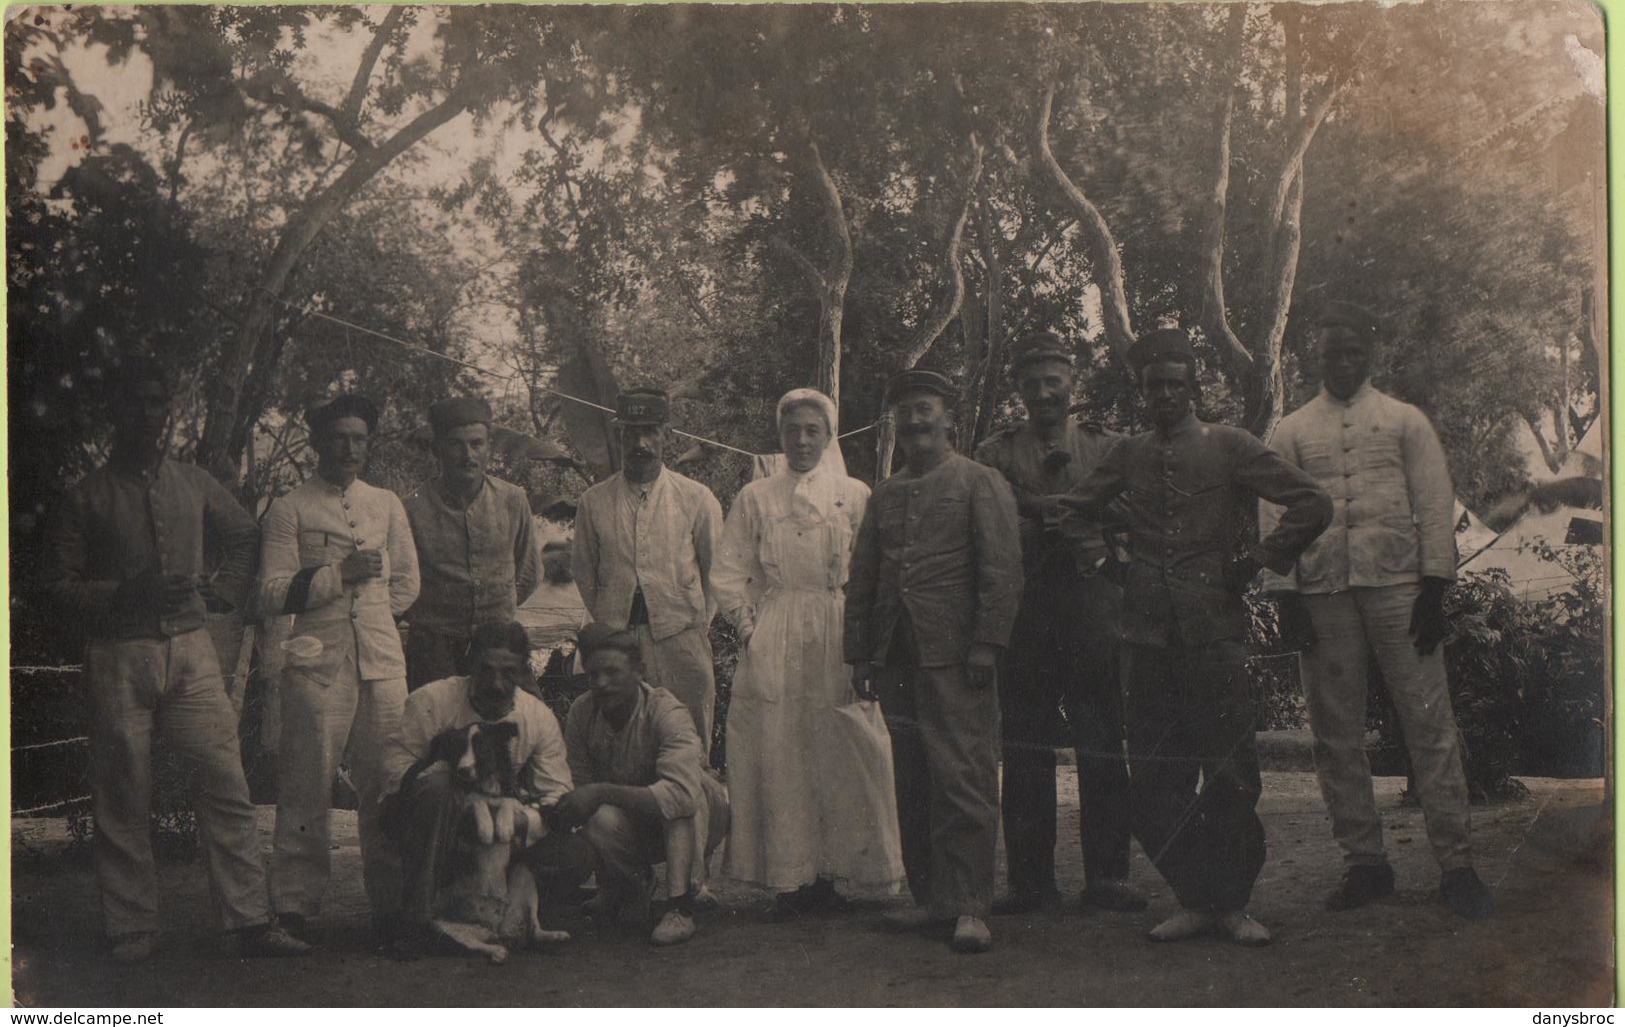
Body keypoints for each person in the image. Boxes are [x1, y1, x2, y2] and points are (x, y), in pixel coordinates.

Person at [1061, 329, 1333, 946]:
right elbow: (1072, 511)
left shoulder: (1230, 445)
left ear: (1193, 386)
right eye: (1153, 384)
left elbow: (1313, 503)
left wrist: (1259, 558)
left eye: (1174, 383)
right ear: (1142, 390)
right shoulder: (1127, 454)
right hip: (1145, 637)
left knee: (1232, 769)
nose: (1163, 394)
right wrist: (1106, 563)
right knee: (1156, 774)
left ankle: (1232, 902)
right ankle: (1191, 897)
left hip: (1215, 633)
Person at [38, 356, 309, 963]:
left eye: (158, 403)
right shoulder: (86, 497)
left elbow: (245, 536)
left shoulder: (193, 482)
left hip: (192, 651)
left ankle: (247, 920)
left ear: (167, 412)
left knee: (226, 781)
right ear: (116, 411)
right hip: (117, 656)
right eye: (136, 402)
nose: (148, 414)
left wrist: (226, 591)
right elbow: (52, 585)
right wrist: (121, 594)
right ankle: (131, 926)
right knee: (122, 790)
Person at [1261, 301, 1494, 919]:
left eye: (1354, 351)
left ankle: (1458, 864)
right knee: (1334, 732)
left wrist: (1437, 586)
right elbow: (1273, 511)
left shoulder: (1404, 422)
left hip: (1401, 591)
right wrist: (1284, 595)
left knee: (1430, 723)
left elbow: (1434, 499)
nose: (1342, 362)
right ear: (1316, 354)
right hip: (1322, 594)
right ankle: (1365, 863)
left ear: (1371, 354)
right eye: (1331, 350)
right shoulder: (1290, 431)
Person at [844, 369, 1024, 954]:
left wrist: (987, 644)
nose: (916, 421)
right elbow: (865, 579)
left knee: (963, 777)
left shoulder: (980, 482)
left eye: (925, 409)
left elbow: (1002, 572)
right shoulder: (887, 493)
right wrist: (862, 654)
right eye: (906, 412)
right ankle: (931, 899)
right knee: (913, 777)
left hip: (956, 657)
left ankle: (971, 905)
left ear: (948, 417)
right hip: (897, 656)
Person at [713, 388, 904, 916]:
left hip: (838, 627)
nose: (801, 440)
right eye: (792, 430)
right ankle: (793, 877)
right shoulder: (756, 497)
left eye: (812, 430)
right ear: (779, 435)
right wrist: (753, 626)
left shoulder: (855, 492)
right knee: (782, 749)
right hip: (778, 629)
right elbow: (728, 572)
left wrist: (860, 634)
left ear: (828, 435)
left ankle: (846, 870)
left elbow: (873, 571)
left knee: (846, 745)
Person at [973, 331, 1145, 916]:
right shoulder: (994, 454)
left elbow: (1137, 509)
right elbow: (984, 523)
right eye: (1033, 384)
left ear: (1072, 384)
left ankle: (1108, 877)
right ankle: (1030, 882)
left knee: (1101, 738)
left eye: (1054, 382)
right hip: (1025, 609)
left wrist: (1071, 512)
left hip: (1092, 601)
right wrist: (1044, 517)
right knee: (1025, 744)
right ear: (1019, 391)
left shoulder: (1107, 447)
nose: (1044, 393)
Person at [258, 393, 420, 947]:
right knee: (307, 784)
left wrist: (370, 615)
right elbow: (272, 592)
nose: (350, 448)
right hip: (316, 663)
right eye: (338, 438)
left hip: (380, 661)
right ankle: (294, 908)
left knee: (388, 783)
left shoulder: (387, 504)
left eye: (359, 438)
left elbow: (406, 585)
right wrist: (339, 576)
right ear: (316, 443)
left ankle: (392, 908)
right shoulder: (291, 508)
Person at [380, 621, 595, 956]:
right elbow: (394, 778)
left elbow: (557, 794)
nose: (496, 684)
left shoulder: (536, 717)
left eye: (508, 673)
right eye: (486, 670)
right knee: (435, 787)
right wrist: (457, 800)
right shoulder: (432, 702)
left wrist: (521, 822)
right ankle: (417, 919)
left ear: (524, 671)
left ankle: (502, 912)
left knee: (576, 852)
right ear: (470, 664)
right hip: (440, 835)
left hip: (503, 837)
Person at [557, 624, 731, 947]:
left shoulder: (666, 710)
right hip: (639, 819)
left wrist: (603, 792)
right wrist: (591, 797)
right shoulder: (582, 713)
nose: (602, 684)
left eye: (613, 672)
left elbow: (679, 796)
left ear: (639, 672)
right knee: (596, 816)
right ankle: (631, 886)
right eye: (594, 675)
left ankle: (681, 906)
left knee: (681, 803)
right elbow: (579, 786)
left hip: (698, 815)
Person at [570, 388, 725, 747]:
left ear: (666, 435)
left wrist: (695, 623)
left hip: (681, 639)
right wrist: (612, 621)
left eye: (650, 431)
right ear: (618, 434)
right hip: (618, 642)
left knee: (688, 739)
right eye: (631, 431)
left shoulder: (696, 498)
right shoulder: (594, 502)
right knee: (622, 741)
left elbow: (716, 572)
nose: (640, 442)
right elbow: (585, 572)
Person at [402, 396, 542, 692]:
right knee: (439, 727)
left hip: (499, 643)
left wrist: (498, 610)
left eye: (477, 444)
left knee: (526, 720)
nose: (468, 455)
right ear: (437, 449)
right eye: (456, 444)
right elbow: (401, 581)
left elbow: (529, 570)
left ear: (489, 447)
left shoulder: (512, 499)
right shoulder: (411, 508)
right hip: (434, 647)